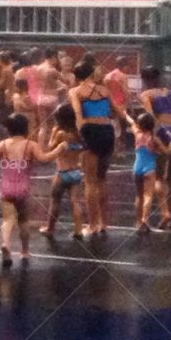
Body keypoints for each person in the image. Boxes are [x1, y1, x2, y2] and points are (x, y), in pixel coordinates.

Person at [0, 113, 59, 267]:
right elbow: (44, 159)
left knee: (7, 219)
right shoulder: (30, 145)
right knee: (23, 220)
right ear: (26, 128)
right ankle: (24, 251)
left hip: (6, 187)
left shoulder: (3, 144)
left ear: (9, 129)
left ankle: (5, 243)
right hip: (23, 187)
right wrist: (60, 149)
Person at [70, 60, 126, 238]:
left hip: (90, 131)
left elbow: (78, 114)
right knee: (102, 179)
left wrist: (80, 135)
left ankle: (92, 224)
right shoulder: (104, 90)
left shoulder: (76, 91)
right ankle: (104, 223)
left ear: (76, 76)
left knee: (90, 181)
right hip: (107, 131)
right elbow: (115, 111)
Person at [139, 65, 171, 229]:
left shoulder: (146, 94)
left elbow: (150, 117)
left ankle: (165, 214)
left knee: (160, 176)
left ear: (145, 80)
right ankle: (170, 216)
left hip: (163, 131)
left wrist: (152, 137)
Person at [38, 103, 85, 240]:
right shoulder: (77, 133)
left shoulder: (59, 132)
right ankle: (78, 230)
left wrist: (50, 134)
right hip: (76, 172)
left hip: (62, 172)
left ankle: (50, 228)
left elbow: (50, 147)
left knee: (55, 200)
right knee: (75, 201)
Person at [132, 113, 170, 233]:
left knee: (139, 195)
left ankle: (138, 220)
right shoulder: (154, 139)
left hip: (137, 167)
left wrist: (125, 113)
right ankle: (145, 220)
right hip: (149, 169)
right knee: (148, 196)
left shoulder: (137, 135)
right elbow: (167, 152)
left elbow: (132, 123)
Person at [104, 56, 133, 150]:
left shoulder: (107, 76)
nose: (128, 68)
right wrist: (131, 106)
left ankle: (111, 147)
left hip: (109, 105)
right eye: (128, 66)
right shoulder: (123, 76)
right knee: (122, 128)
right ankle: (120, 149)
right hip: (121, 105)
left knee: (111, 126)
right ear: (124, 65)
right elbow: (126, 92)